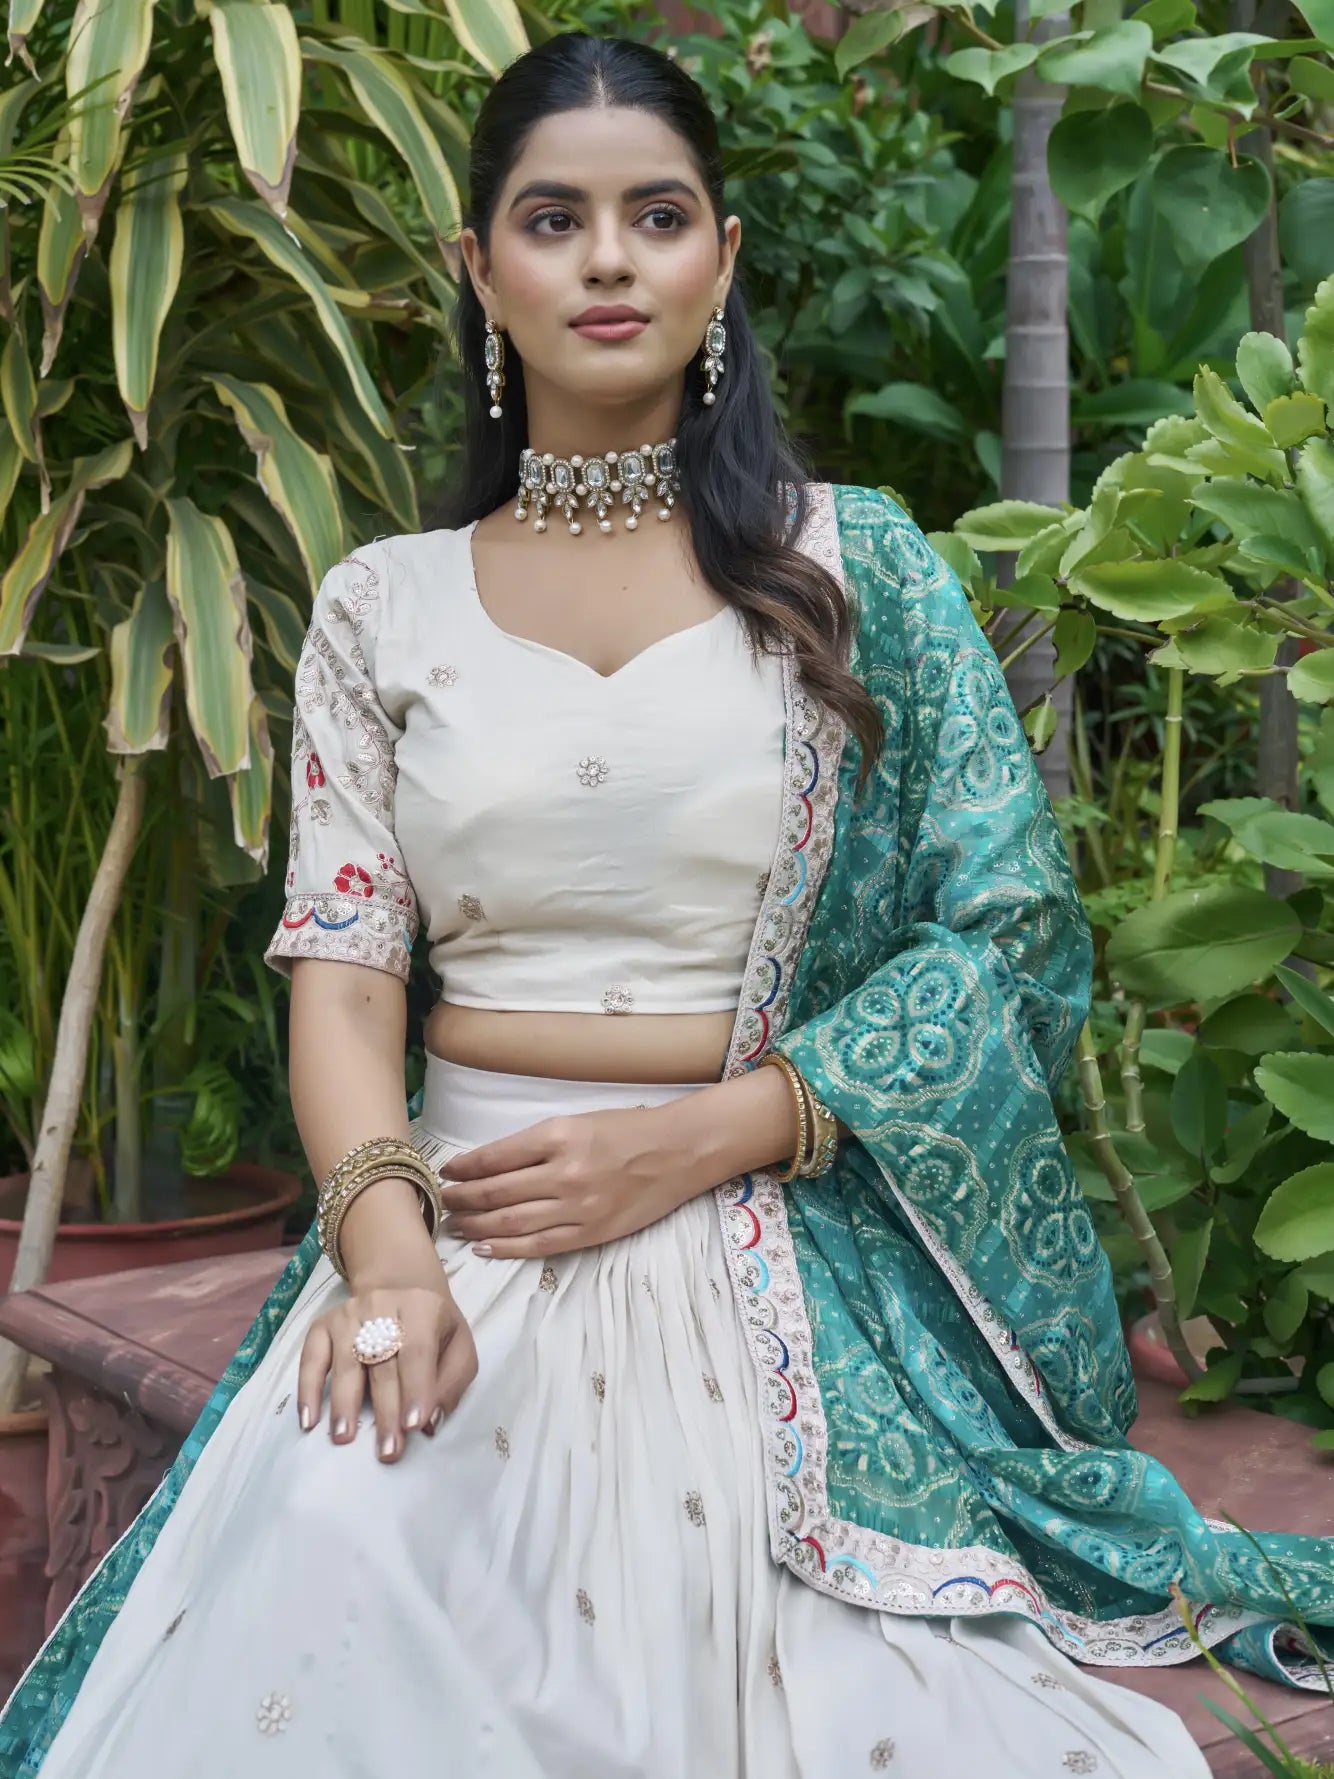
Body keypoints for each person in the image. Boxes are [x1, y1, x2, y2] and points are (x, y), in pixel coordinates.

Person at [3, 30, 1330, 1779]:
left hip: (771, 1230)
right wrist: (387, 1260)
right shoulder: (381, 606)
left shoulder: (860, 578)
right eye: (553, 219)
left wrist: (715, 1133)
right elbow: (342, 974)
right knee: (332, 1575)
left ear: (720, 256)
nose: (609, 259)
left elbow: (1005, 941)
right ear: (480, 267)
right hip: (461, 1217)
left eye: (657, 214)